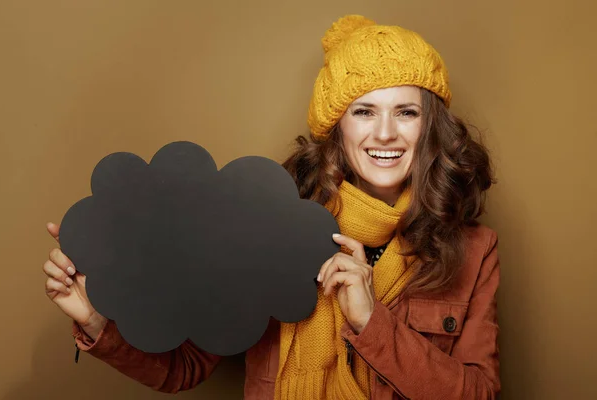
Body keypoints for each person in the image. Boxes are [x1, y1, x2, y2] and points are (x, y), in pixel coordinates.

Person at [43, 14, 500, 400]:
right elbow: (185, 368)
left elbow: (480, 392)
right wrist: (96, 319)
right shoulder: (268, 226)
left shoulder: (475, 250)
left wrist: (370, 321)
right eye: (364, 111)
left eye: (406, 112)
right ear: (336, 128)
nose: (384, 133)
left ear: (431, 127)